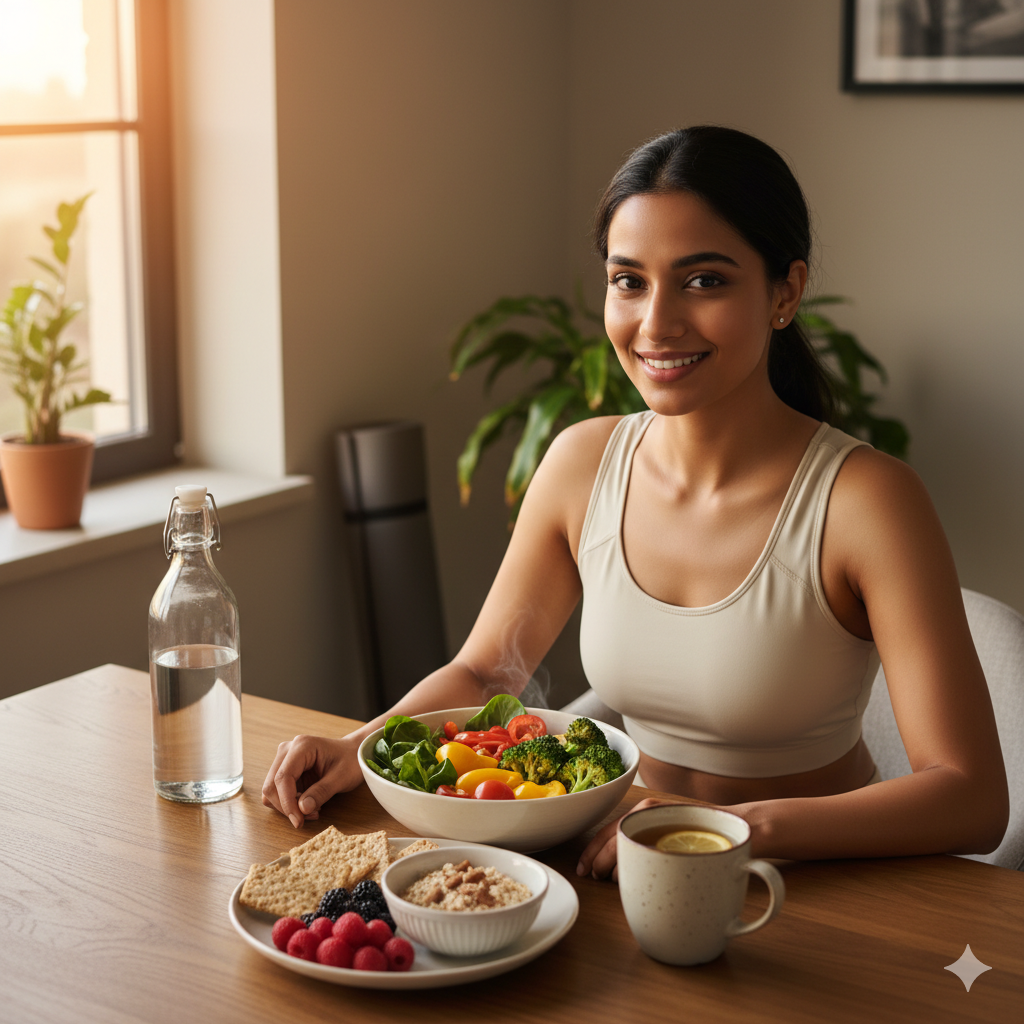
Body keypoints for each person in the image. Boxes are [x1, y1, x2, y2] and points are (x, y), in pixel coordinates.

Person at [262, 126, 1008, 878]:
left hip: (816, 888)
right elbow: (490, 672)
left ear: (785, 291)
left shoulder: (867, 500)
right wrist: (362, 746)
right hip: (622, 866)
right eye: (630, 281)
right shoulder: (583, 463)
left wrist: (724, 827)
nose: (657, 324)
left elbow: (971, 799)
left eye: (704, 280)